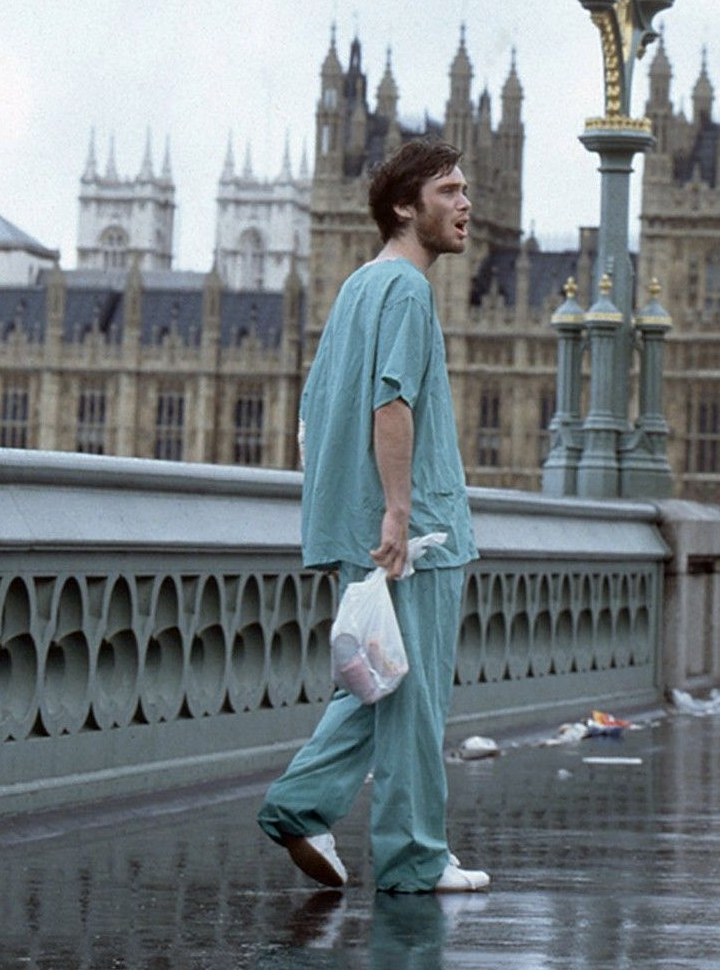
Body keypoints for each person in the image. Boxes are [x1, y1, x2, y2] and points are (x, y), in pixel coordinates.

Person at [255, 140, 489, 893]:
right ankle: (414, 859)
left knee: (378, 680)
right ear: (404, 206)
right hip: (414, 533)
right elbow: (394, 401)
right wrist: (397, 510)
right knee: (414, 699)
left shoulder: (357, 287)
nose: (465, 205)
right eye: (448, 191)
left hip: (362, 525)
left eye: (465, 191)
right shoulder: (410, 293)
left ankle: (299, 804)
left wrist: (351, 515)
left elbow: (318, 407)